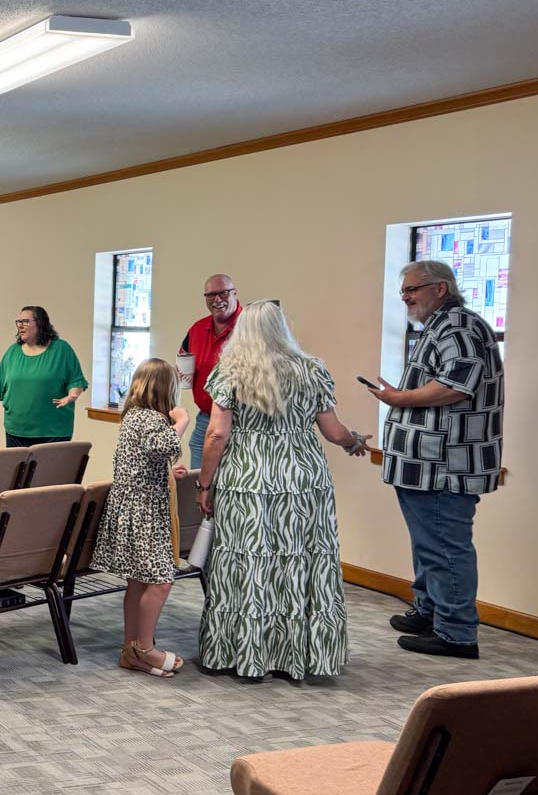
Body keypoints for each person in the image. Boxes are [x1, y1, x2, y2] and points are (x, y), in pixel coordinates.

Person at [196, 300, 371, 681]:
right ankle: (297, 654)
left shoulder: (230, 371)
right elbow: (333, 429)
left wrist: (205, 483)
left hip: (247, 478)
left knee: (248, 561)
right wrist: (353, 441)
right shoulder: (312, 369)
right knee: (301, 559)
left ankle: (246, 652)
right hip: (303, 479)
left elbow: (217, 434)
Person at [367, 260, 504, 659]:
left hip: (443, 465)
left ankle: (456, 633)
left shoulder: (459, 326)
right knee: (429, 545)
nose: (405, 297)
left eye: (412, 289)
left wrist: (400, 398)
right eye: (403, 291)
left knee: (445, 546)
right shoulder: (439, 324)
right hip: (422, 465)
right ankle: (429, 611)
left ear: (440, 288)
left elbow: (456, 385)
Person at [90, 359, 191, 677]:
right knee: (161, 581)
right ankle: (145, 649)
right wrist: (182, 420)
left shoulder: (134, 415)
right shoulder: (150, 418)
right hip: (142, 512)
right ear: (166, 389)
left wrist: (168, 471)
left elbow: (147, 456)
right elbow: (164, 444)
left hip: (135, 507)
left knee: (139, 582)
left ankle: (131, 650)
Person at [0, 306, 87, 447]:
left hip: (53, 431)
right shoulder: (13, 352)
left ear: (40, 324)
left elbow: (76, 380)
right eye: (19, 322)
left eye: (25, 321)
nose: (20, 325)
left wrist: (71, 396)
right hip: (16, 431)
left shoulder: (61, 350)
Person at [178, 274, 242, 469]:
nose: (217, 299)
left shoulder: (250, 326)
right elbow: (183, 359)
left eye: (223, 293)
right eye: (211, 295)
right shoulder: (197, 329)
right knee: (198, 478)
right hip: (206, 418)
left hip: (243, 421)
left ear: (234, 293)